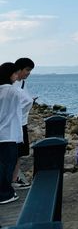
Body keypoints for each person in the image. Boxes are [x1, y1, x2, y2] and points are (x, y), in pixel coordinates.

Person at [0, 62, 31, 205]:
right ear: (10, 74)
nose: (17, 76)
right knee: (8, 165)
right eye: (15, 73)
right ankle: (5, 194)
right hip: (8, 134)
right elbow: (27, 100)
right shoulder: (12, 91)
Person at [12, 57, 35, 190]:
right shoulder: (11, 84)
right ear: (19, 69)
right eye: (27, 70)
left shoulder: (22, 84)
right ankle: (11, 179)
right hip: (15, 123)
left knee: (19, 153)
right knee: (13, 153)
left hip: (23, 122)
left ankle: (14, 178)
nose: (28, 73)